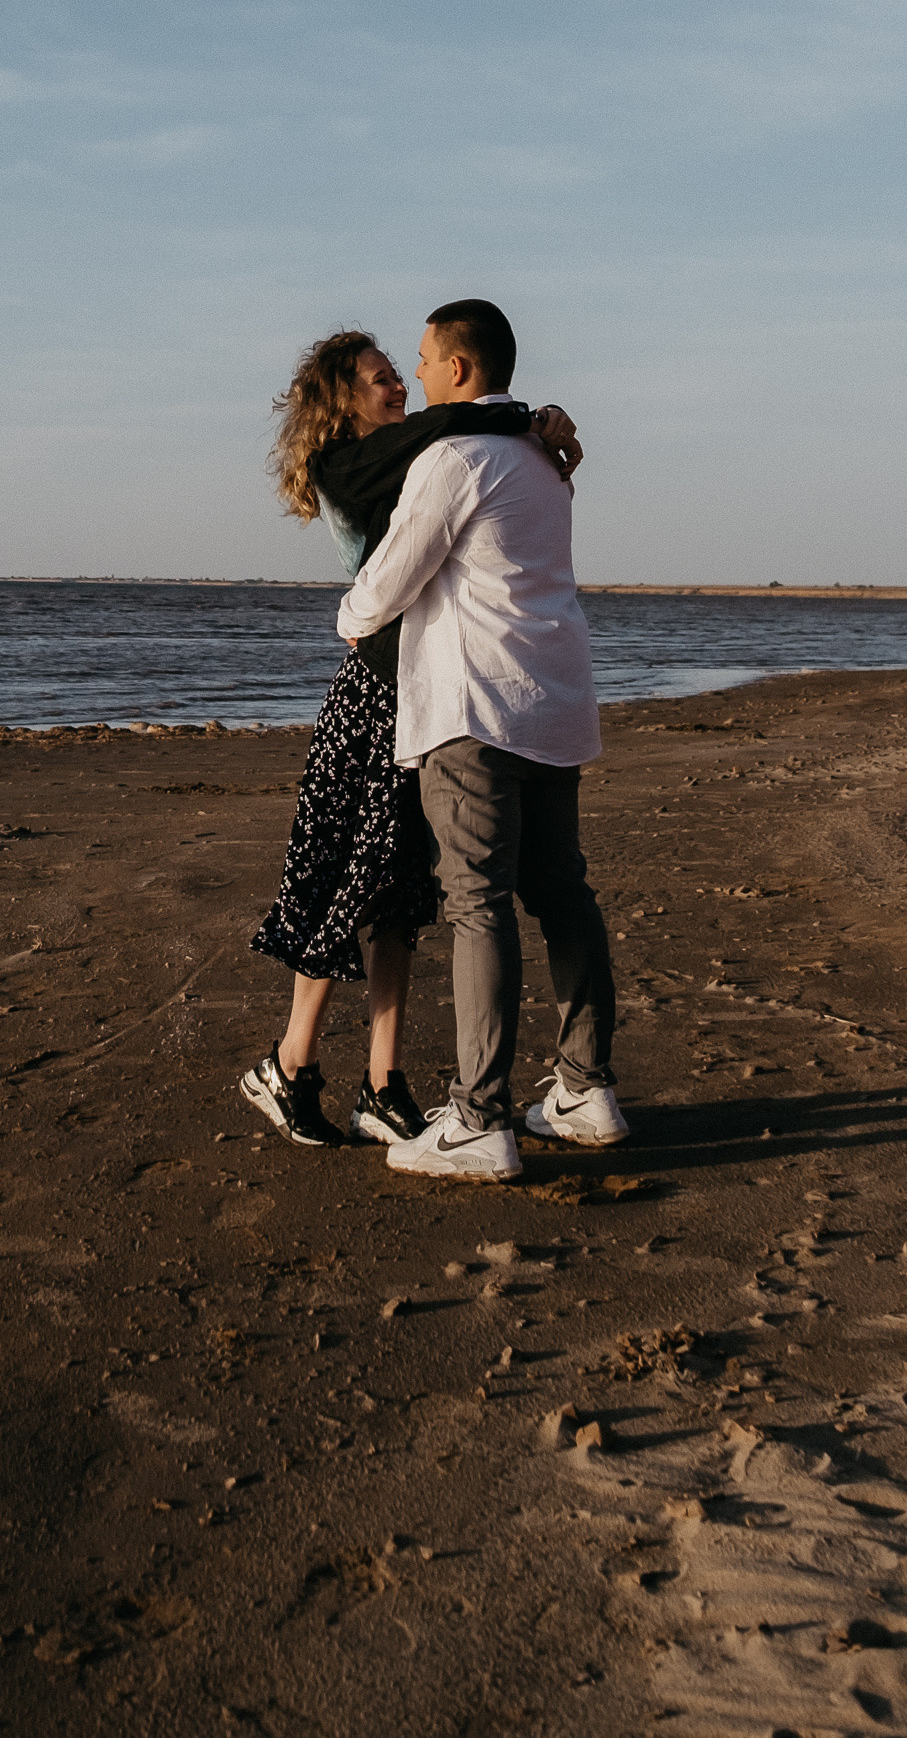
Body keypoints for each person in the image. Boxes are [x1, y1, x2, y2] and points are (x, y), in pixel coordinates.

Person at [241, 326, 583, 1152]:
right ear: (339, 401)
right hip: (374, 697)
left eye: (401, 374)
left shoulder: (422, 450)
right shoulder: (346, 467)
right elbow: (445, 433)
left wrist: (532, 430)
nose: (398, 387)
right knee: (342, 882)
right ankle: (287, 1067)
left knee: (398, 895)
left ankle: (384, 1084)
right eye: (379, 378)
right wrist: (520, 418)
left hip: (427, 691)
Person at [333, 297, 623, 1185]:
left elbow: (387, 580)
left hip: (474, 709)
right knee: (559, 890)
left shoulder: (453, 460)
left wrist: (350, 620)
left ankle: (479, 1116)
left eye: (422, 359)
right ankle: (582, 1087)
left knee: (476, 903)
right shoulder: (540, 459)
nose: (415, 374)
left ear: (458, 368)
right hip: (551, 700)